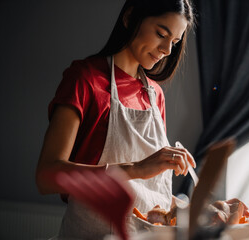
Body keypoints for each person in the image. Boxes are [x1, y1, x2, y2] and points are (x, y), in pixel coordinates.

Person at [35, 0, 196, 238]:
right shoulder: (85, 79)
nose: (167, 50)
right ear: (130, 18)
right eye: (161, 34)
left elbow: (146, 192)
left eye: (174, 42)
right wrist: (136, 169)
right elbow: (46, 176)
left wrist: (185, 209)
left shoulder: (155, 95)